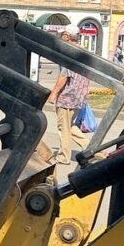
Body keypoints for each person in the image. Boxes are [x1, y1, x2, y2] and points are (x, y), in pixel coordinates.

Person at [47, 31, 90, 166]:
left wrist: (54, 93)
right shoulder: (84, 53)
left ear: (66, 36)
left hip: (67, 97)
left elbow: (64, 76)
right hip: (78, 96)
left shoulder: (69, 54)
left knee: (63, 128)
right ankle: (91, 149)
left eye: (62, 36)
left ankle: (63, 156)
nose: (61, 38)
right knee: (69, 126)